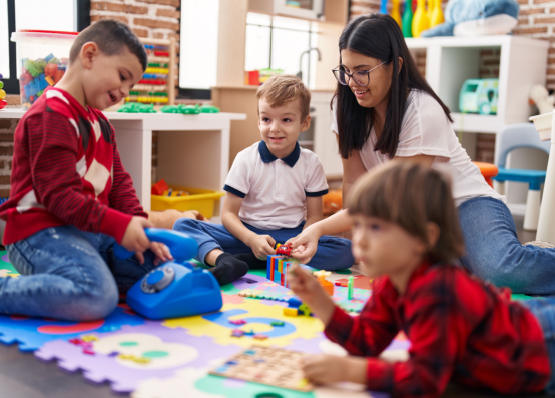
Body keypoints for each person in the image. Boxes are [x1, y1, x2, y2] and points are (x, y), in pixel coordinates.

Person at [287, 13, 555, 295]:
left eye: (363, 70)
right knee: (444, 287)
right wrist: (361, 245)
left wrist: (318, 229)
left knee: (499, 270)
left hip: (465, 204)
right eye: (346, 70)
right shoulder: (344, 107)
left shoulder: (422, 109)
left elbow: (394, 198)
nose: (353, 82)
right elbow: (355, 184)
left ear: (395, 66)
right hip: (415, 217)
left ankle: (531, 255)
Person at [289, 161, 555, 397]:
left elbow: (423, 382)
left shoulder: (439, 291)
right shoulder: (393, 280)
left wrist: (351, 371)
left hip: (541, 343)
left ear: (424, 238)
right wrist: (319, 302)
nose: (360, 239)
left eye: (376, 227)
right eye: (357, 225)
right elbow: (367, 340)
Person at [0, 20, 175, 321]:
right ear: (90, 55)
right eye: (123, 77)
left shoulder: (101, 122)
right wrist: (119, 227)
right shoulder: (50, 114)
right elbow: (59, 197)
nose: (124, 92)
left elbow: (118, 181)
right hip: (40, 232)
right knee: (96, 295)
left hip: (89, 230)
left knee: (158, 269)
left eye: (131, 86)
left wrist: (138, 223)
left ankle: (90, 271)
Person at [174, 74, 354, 285]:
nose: (274, 128)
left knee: (347, 250)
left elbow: (314, 216)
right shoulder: (245, 159)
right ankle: (225, 260)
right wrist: (251, 239)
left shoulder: (311, 162)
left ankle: (259, 260)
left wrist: (302, 241)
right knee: (182, 225)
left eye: (286, 120)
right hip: (246, 235)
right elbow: (228, 214)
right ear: (258, 120)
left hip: (292, 237)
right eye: (266, 119)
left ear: (304, 123)